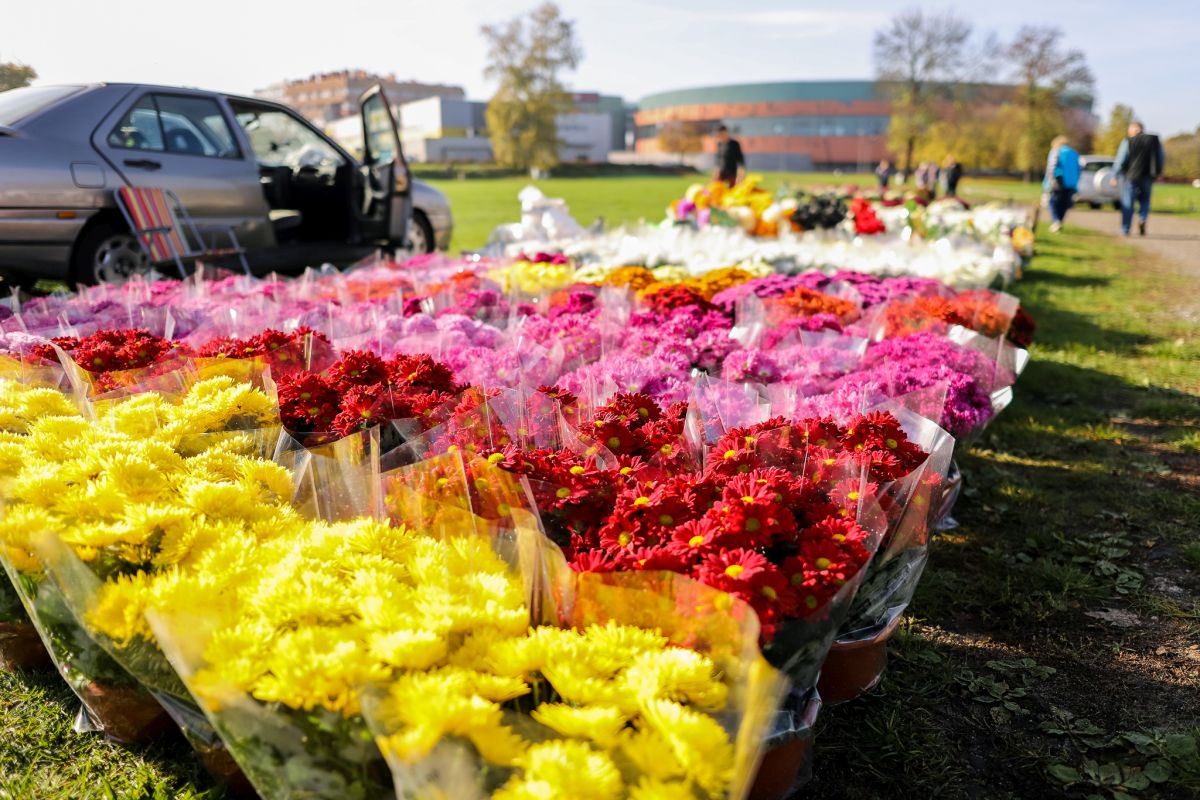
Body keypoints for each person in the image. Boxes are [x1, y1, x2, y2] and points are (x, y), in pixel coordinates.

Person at [1113, 121, 1165, 236]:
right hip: (1148, 176)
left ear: (1134, 129)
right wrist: (1159, 172)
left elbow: (1121, 159)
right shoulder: (1154, 141)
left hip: (1131, 176)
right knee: (1145, 200)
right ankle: (1142, 218)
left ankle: (1125, 229)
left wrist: (1115, 175)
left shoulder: (1128, 141)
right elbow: (1161, 157)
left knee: (1128, 201)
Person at [1043, 136, 1081, 233]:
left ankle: (1056, 221)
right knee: (1064, 204)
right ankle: (1059, 221)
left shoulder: (1056, 151)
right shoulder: (1074, 153)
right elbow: (1079, 169)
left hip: (1058, 181)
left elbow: (1052, 167)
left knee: (1053, 202)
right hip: (1071, 183)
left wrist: (1049, 181)